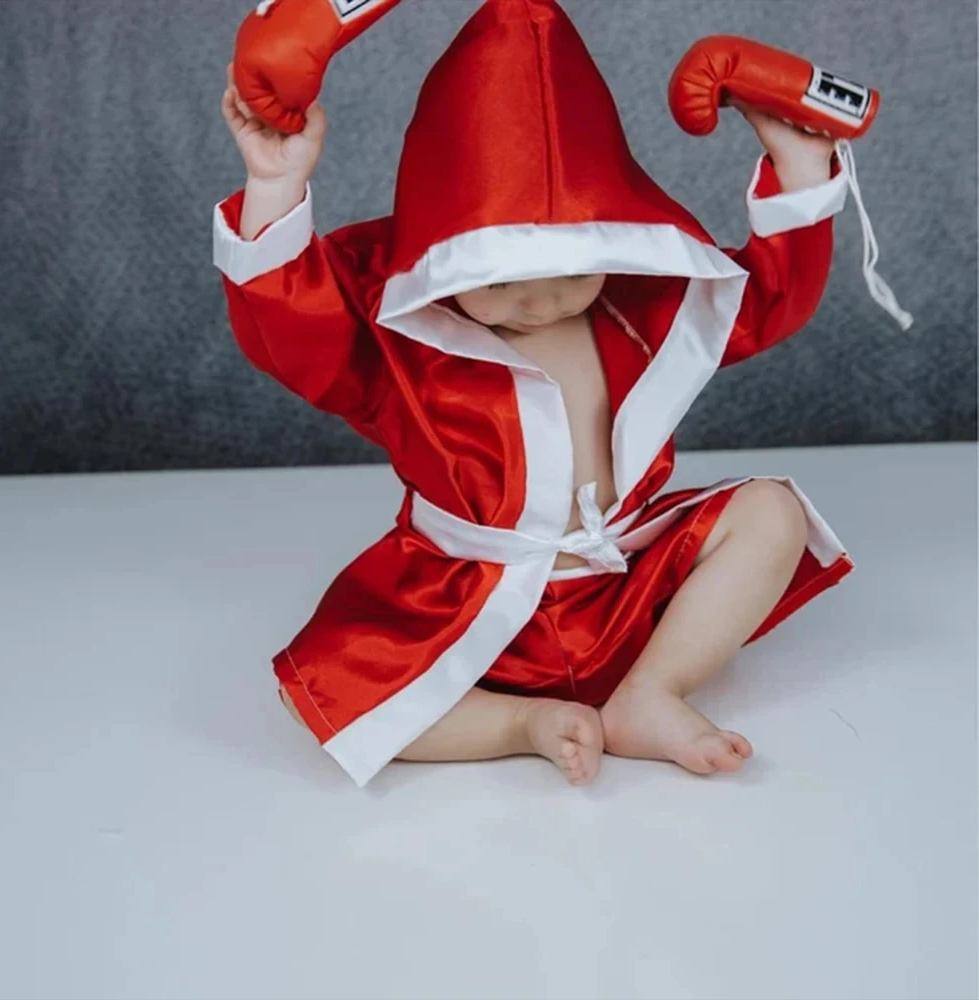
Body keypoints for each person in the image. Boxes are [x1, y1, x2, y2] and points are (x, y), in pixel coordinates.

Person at [214, 0, 853, 787]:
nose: (543, 303)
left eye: (574, 273)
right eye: (505, 280)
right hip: (464, 602)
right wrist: (274, 186)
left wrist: (799, 168)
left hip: (624, 588)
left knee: (773, 511)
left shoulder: (630, 306)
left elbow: (763, 301)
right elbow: (289, 331)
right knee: (313, 691)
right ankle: (518, 722)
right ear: (446, 255)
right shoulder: (395, 335)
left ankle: (654, 688)